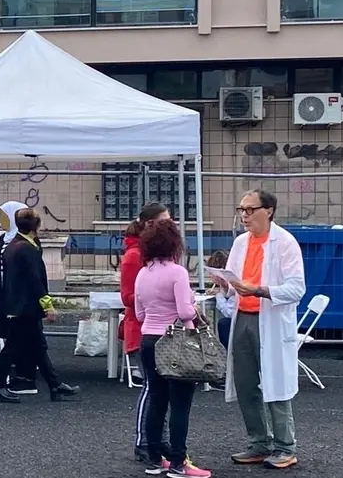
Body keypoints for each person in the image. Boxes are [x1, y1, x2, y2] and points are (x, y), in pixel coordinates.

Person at [210, 189, 306, 470]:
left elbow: (297, 288)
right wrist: (225, 286)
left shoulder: (285, 243)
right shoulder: (240, 243)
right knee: (245, 383)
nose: (244, 216)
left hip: (271, 320)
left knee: (276, 384)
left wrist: (259, 290)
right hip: (243, 318)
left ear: (269, 211)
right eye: (241, 210)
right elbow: (234, 284)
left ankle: (285, 447)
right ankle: (259, 442)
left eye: (250, 210)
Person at [134, 218, 210, 478]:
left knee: (157, 401)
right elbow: (184, 311)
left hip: (149, 341)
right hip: (176, 342)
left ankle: (155, 459)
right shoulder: (177, 272)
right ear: (174, 243)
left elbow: (139, 313)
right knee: (180, 404)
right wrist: (192, 302)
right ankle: (179, 462)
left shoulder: (142, 273)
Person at [0, 207, 78, 404]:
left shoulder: (13, 245)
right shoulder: (27, 249)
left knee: (38, 346)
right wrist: (48, 305)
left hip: (16, 305)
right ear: (36, 226)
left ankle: (55, 385)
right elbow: (35, 281)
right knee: (13, 347)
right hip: (24, 307)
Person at [120, 201, 171, 463]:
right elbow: (127, 296)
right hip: (143, 328)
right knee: (152, 387)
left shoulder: (156, 253)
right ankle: (143, 439)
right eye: (165, 220)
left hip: (160, 326)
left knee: (163, 388)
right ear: (150, 224)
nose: (170, 225)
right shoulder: (133, 256)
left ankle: (157, 438)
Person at [0, 202, 37, 393]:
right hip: (6, 296)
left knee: (20, 340)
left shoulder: (25, 242)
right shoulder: (3, 240)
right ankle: (24, 379)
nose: (1, 220)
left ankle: (23, 377)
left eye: (4, 216)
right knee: (14, 338)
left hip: (21, 298)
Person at [207, 251, 233, 348]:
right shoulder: (225, 287)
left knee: (223, 323)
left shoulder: (233, 285)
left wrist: (220, 296)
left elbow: (229, 312)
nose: (209, 275)